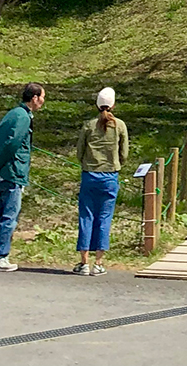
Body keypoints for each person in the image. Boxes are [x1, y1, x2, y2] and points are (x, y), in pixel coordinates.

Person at [0, 84, 45, 272]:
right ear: (34, 98)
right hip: (13, 172)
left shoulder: (12, 114)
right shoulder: (23, 117)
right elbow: (12, 143)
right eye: (41, 97)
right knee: (9, 216)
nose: (42, 101)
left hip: (3, 171)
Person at [74, 87, 130, 275]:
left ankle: (83, 262)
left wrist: (86, 163)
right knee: (104, 218)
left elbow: (79, 152)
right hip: (110, 176)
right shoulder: (120, 126)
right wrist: (116, 163)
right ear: (113, 105)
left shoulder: (89, 125)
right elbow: (124, 153)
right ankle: (98, 263)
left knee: (86, 216)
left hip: (90, 175)